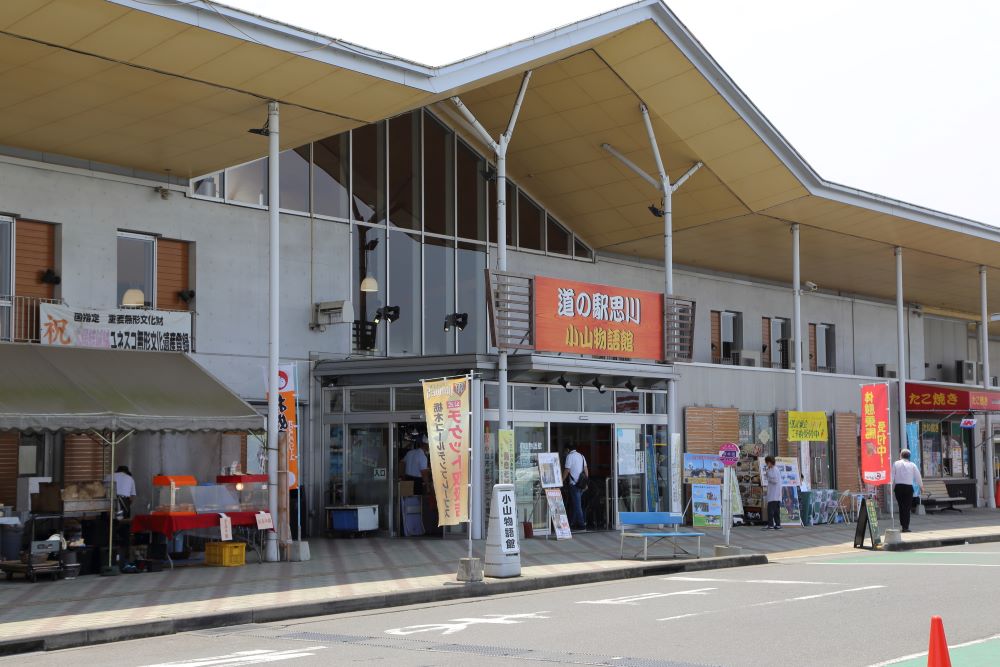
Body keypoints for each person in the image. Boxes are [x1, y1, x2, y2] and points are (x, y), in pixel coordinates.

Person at [893, 448, 923, 533]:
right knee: (907, 507)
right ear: (909, 456)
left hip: (898, 487)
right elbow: (918, 476)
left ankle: (903, 524)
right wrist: (921, 486)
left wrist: (891, 487)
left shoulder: (896, 463)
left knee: (901, 506)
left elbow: (892, 476)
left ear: (900, 455)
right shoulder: (912, 465)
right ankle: (905, 526)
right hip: (908, 487)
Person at [562, 446, 589, 530]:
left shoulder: (569, 456)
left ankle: (582, 524)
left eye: (565, 451)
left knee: (577, 505)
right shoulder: (581, 456)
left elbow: (567, 470)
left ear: (568, 449)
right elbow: (586, 469)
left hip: (574, 484)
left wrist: (561, 480)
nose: (564, 453)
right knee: (575, 503)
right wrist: (586, 483)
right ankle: (572, 523)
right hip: (581, 484)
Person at [763, 456, 782, 530]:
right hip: (776, 493)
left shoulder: (774, 469)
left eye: (767, 462)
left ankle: (771, 525)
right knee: (776, 510)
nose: (766, 464)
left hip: (773, 494)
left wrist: (768, 476)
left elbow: (775, 480)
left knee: (770, 510)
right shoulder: (773, 469)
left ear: (770, 462)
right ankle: (778, 524)